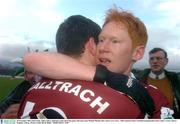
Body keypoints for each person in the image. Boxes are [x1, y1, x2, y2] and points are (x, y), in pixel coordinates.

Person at [22, 8, 172, 118]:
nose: (103, 48)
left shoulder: (152, 97)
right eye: (101, 40)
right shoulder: (78, 75)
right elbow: (31, 60)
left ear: (137, 53)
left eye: (114, 41)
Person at [135, 47, 180, 118]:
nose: (155, 61)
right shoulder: (138, 80)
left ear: (166, 61)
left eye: (159, 58)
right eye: (152, 58)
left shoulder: (175, 80)